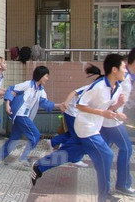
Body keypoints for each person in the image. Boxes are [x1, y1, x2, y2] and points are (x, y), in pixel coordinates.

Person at [32, 54, 126, 202]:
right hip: (85, 127)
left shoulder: (117, 87)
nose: (125, 71)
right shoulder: (99, 85)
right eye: (123, 68)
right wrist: (103, 113)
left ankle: (39, 166)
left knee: (71, 153)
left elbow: (106, 107)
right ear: (114, 69)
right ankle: (104, 196)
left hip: (95, 126)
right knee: (106, 155)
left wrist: (117, 107)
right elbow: (80, 104)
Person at [0, 66, 66, 166]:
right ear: (41, 76)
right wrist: (7, 105)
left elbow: (44, 103)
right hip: (21, 115)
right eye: (46, 76)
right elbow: (11, 89)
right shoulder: (27, 84)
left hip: (25, 116)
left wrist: (59, 105)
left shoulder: (40, 90)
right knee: (35, 135)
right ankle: (23, 158)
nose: (47, 78)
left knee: (14, 138)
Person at [48, 64, 103, 168]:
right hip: (72, 113)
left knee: (73, 135)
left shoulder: (96, 90)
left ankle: (54, 143)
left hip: (75, 113)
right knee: (78, 137)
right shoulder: (89, 88)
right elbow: (74, 92)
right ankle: (67, 154)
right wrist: (66, 103)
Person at [99, 49, 135, 197]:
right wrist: (116, 110)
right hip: (112, 120)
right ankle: (122, 184)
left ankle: (105, 187)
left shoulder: (127, 75)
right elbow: (112, 99)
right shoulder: (123, 76)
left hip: (110, 119)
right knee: (126, 148)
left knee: (103, 153)